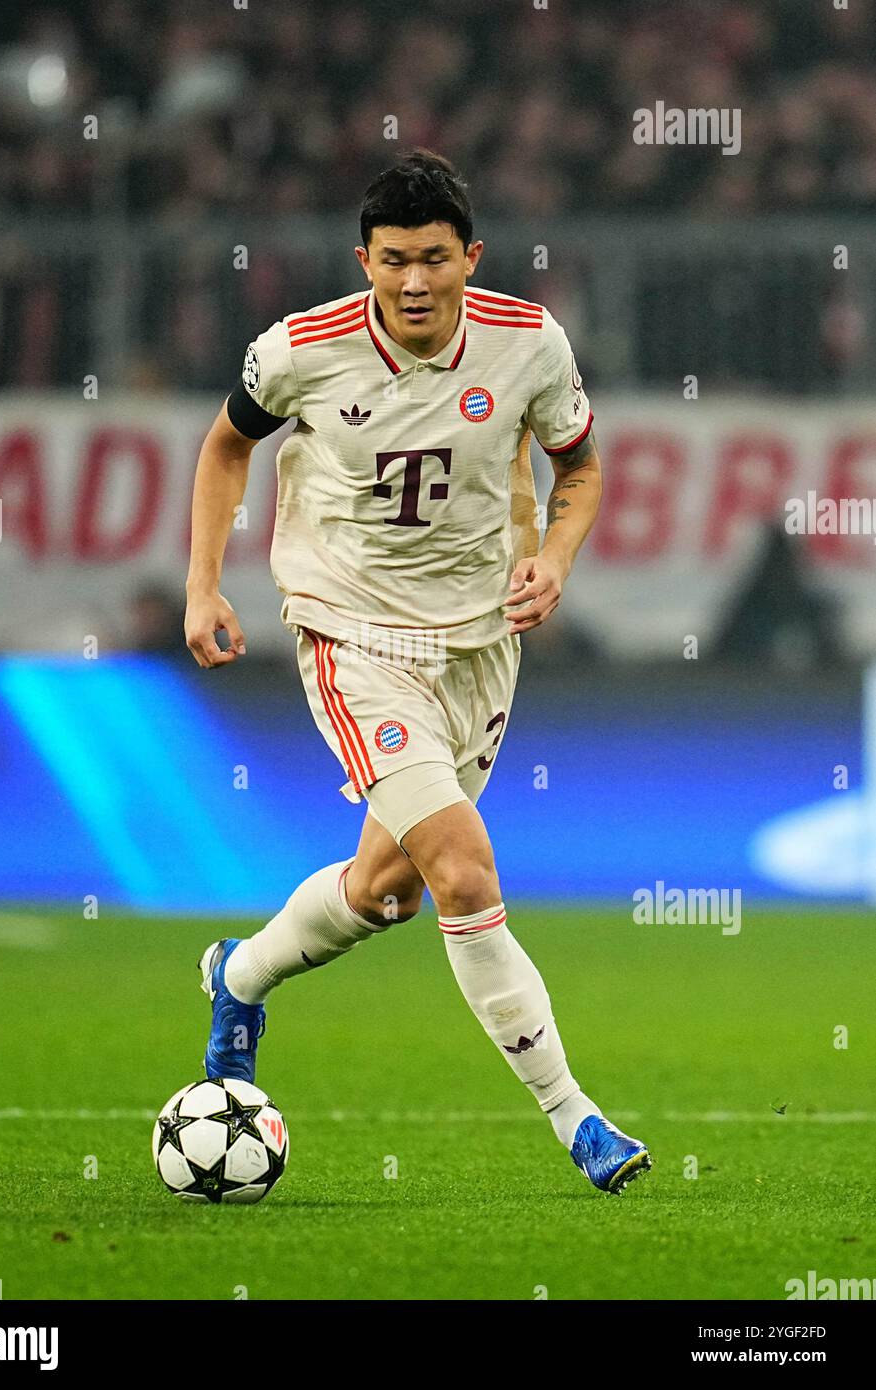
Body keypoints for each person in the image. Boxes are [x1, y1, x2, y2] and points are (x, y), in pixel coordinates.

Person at [184, 149, 651, 1195]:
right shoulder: (300, 350)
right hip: (354, 640)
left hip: (481, 648)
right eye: (393, 261)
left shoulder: (530, 346)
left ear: (470, 257)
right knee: (465, 870)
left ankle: (241, 973)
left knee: (386, 891)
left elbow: (580, 465)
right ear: (365, 260)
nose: (414, 283)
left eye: (435, 260)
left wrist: (556, 558)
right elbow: (225, 447)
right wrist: (204, 585)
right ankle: (577, 1120)